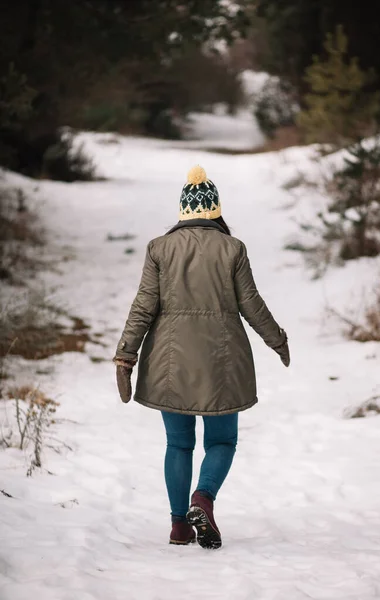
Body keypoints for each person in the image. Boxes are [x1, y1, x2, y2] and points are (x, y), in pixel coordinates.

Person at [113, 165, 290, 550]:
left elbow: (144, 306)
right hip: (222, 362)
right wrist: (276, 339)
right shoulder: (232, 249)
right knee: (222, 441)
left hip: (168, 360)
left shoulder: (159, 248)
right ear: (215, 210)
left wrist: (126, 355)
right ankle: (203, 498)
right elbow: (251, 304)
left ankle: (179, 526)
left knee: (178, 445)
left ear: (183, 212)